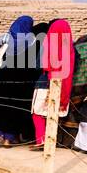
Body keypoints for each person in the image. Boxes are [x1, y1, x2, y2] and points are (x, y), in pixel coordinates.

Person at [0, 15, 41, 147]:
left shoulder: (5, 37)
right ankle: (9, 138)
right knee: (12, 107)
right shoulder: (32, 39)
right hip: (21, 79)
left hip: (3, 76)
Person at [31, 19, 73, 149]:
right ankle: (51, 140)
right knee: (53, 112)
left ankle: (41, 139)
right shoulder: (71, 48)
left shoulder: (47, 44)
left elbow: (38, 65)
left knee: (37, 112)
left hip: (44, 81)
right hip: (63, 83)